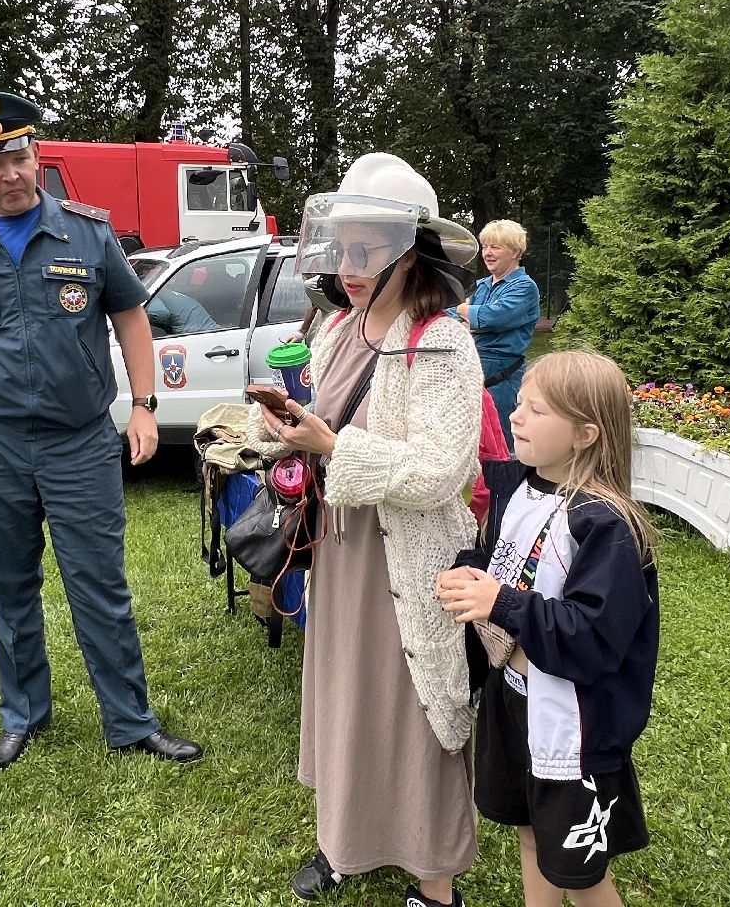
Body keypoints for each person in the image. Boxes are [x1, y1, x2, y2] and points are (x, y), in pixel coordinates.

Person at [0, 91, 202, 772]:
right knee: (10, 586)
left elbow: (130, 316)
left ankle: (130, 721)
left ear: (37, 156)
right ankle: (22, 717)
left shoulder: (87, 233)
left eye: (19, 157)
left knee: (99, 584)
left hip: (77, 439)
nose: (10, 174)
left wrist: (144, 404)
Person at [248, 153, 483, 907]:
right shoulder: (339, 327)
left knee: (416, 714)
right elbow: (316, 411)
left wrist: (331, 447)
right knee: (347, 699)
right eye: (340, 248)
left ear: (410, 252)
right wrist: (284, 426)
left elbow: (441, 472)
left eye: (364, 251)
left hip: (411, 564)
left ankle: (433, 883)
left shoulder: (442, 341)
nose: (346, 267)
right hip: (341, 554)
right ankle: (344, 841)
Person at [436, 351, 659, 906]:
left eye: (537, 411)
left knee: (580, 872)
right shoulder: (522, 491)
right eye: (521, 405)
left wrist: (501, 603)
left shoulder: (605, 527)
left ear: (585, 433)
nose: (515, 416)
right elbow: (511, 564)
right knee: (531, 833)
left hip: (572, 729)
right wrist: (475, 572)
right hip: (514, 702)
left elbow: (592, 637)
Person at [452, 220, 539, 449]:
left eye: (495, 247)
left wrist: (465, 311)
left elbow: (493, 316)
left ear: (515, 252)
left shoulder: (524, 287)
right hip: (473, 369)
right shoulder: (484, 285)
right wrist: (466, 315)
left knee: (502, 446)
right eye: (485, 247)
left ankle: (509, 484)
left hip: (502, 378)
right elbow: (448, 314)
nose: (487, 253)